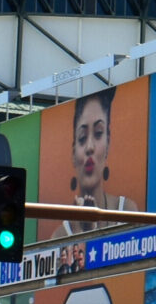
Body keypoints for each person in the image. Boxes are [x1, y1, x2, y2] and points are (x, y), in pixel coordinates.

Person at [51, 86, 138, 238]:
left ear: (108, 144)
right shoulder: (60, 234)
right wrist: (78, 232)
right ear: (73, 153)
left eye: (98, 133)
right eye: (82, 138)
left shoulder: (127, 210)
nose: (89, 147)